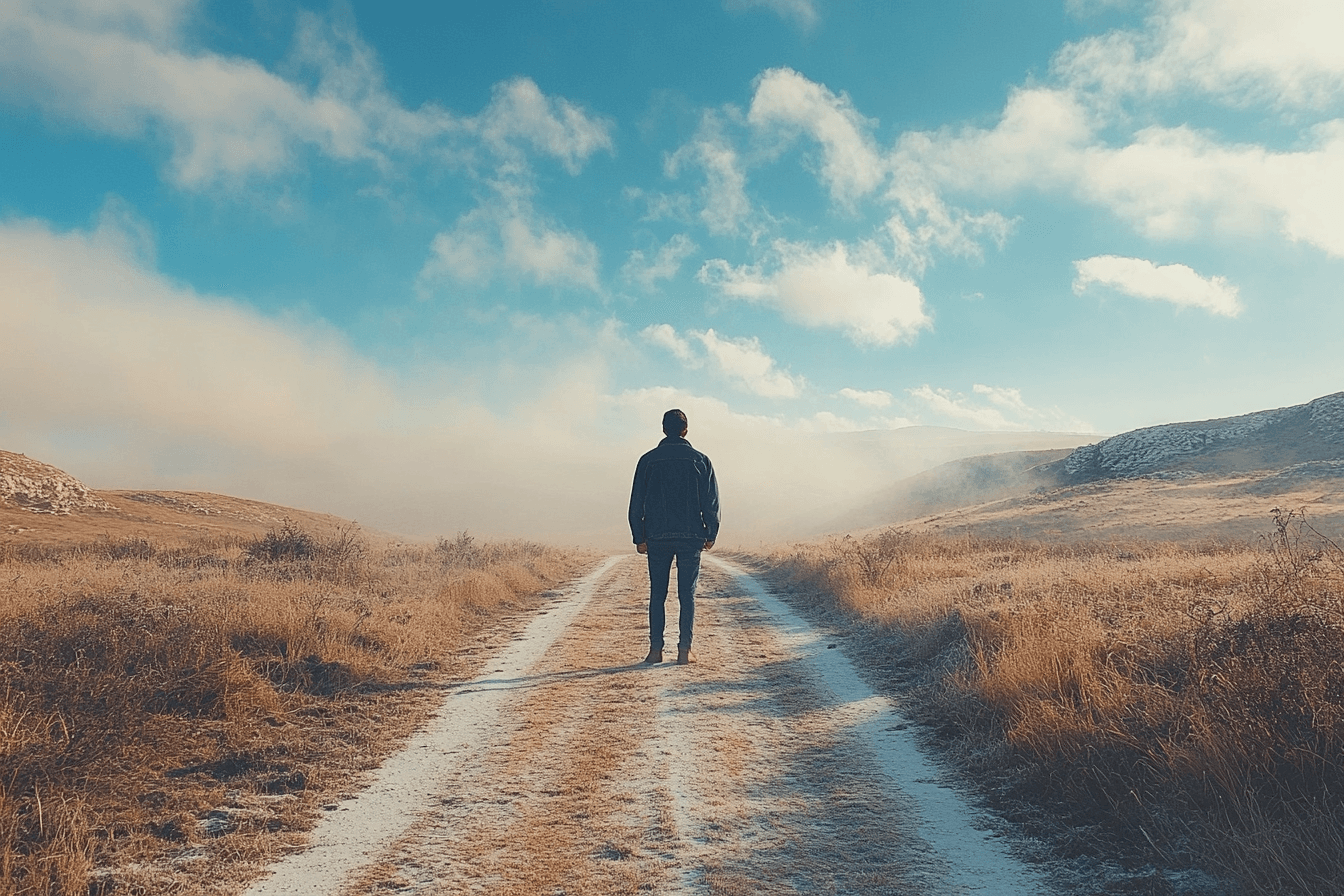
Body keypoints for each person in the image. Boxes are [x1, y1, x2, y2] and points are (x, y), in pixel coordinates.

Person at [628, 408, 720, 665]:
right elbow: (710, 501)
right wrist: (710, 532)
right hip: (691, 535)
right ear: (686, 430)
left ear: (663, 429)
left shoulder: (648, 460)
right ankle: (684, 651)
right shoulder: (700, 459)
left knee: (657, 594)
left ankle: (655, 651)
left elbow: (637, 501)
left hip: (656, 535)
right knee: (686, 594)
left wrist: (639, 536)